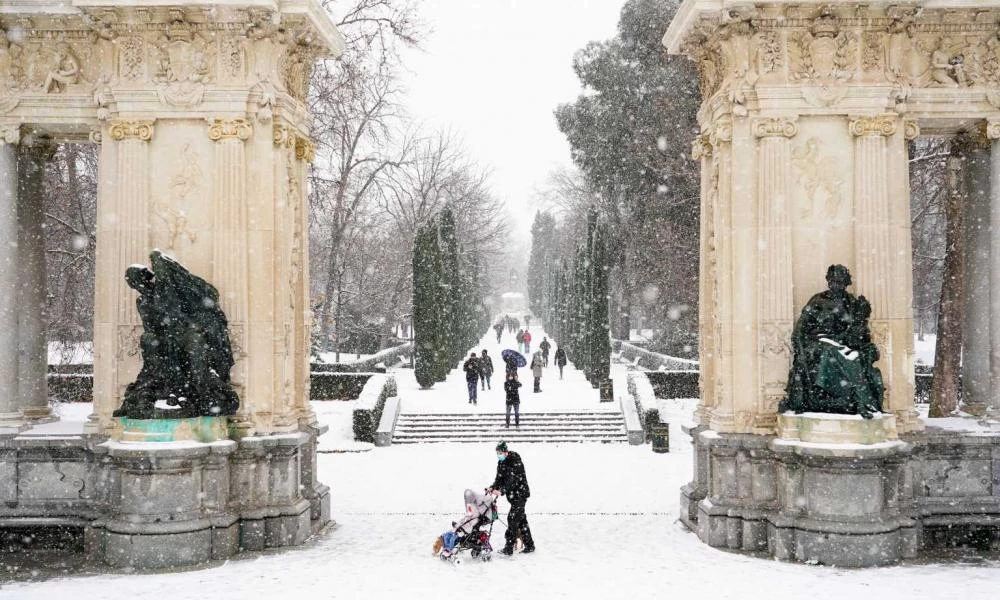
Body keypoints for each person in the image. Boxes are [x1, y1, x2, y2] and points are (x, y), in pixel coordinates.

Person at [781, 264, 884, 418]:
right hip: (817, 341)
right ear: (829, 281)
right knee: (831, 352)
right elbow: (799, 330)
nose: (836, 285)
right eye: (833, 281)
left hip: (841, 343)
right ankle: (858, 399)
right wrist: (799, 351)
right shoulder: (817, 300)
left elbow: (860, 332)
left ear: (846, 283)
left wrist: (860, 322)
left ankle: (861, 401)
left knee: (854, 356)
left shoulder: (851, 302)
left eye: (840, 282)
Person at [489, 441, 534, 555]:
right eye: (497, 453)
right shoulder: (501, 462)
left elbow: (513, 480)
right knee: (521, 520)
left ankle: (508, 548)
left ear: (506, 452)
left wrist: (502, 491)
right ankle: (530, 545)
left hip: (520, 494)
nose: (498, 455)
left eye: (500, 453)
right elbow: (499, 478)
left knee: (512, 518)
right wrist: (492, 487)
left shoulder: (515, 461)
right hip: (513, 496)